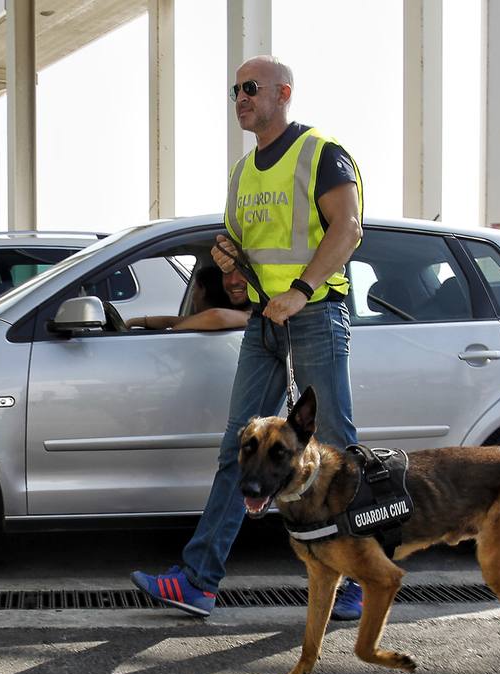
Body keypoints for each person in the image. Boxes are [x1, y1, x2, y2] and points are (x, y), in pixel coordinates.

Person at [130, 55, 364, 620]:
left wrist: (302, 290)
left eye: (251, 87)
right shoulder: (242, 172)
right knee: (239, 447)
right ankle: (198, 581)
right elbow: (240, 246)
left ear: (284, 91)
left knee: (336, 449)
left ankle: (356, 580)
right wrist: (229, 265)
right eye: (235, 89)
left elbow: (348, 228)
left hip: (314, 313)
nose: (241, 96)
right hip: (264, 319)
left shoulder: (320, 153)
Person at [128, 266, 252, 332]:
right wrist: (132, 322)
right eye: (227, 273)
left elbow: (217, 316)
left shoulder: (261, 313)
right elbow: (171, 321)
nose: (233, 281)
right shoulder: (235, 315)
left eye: (243, 272)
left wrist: (169, 338)